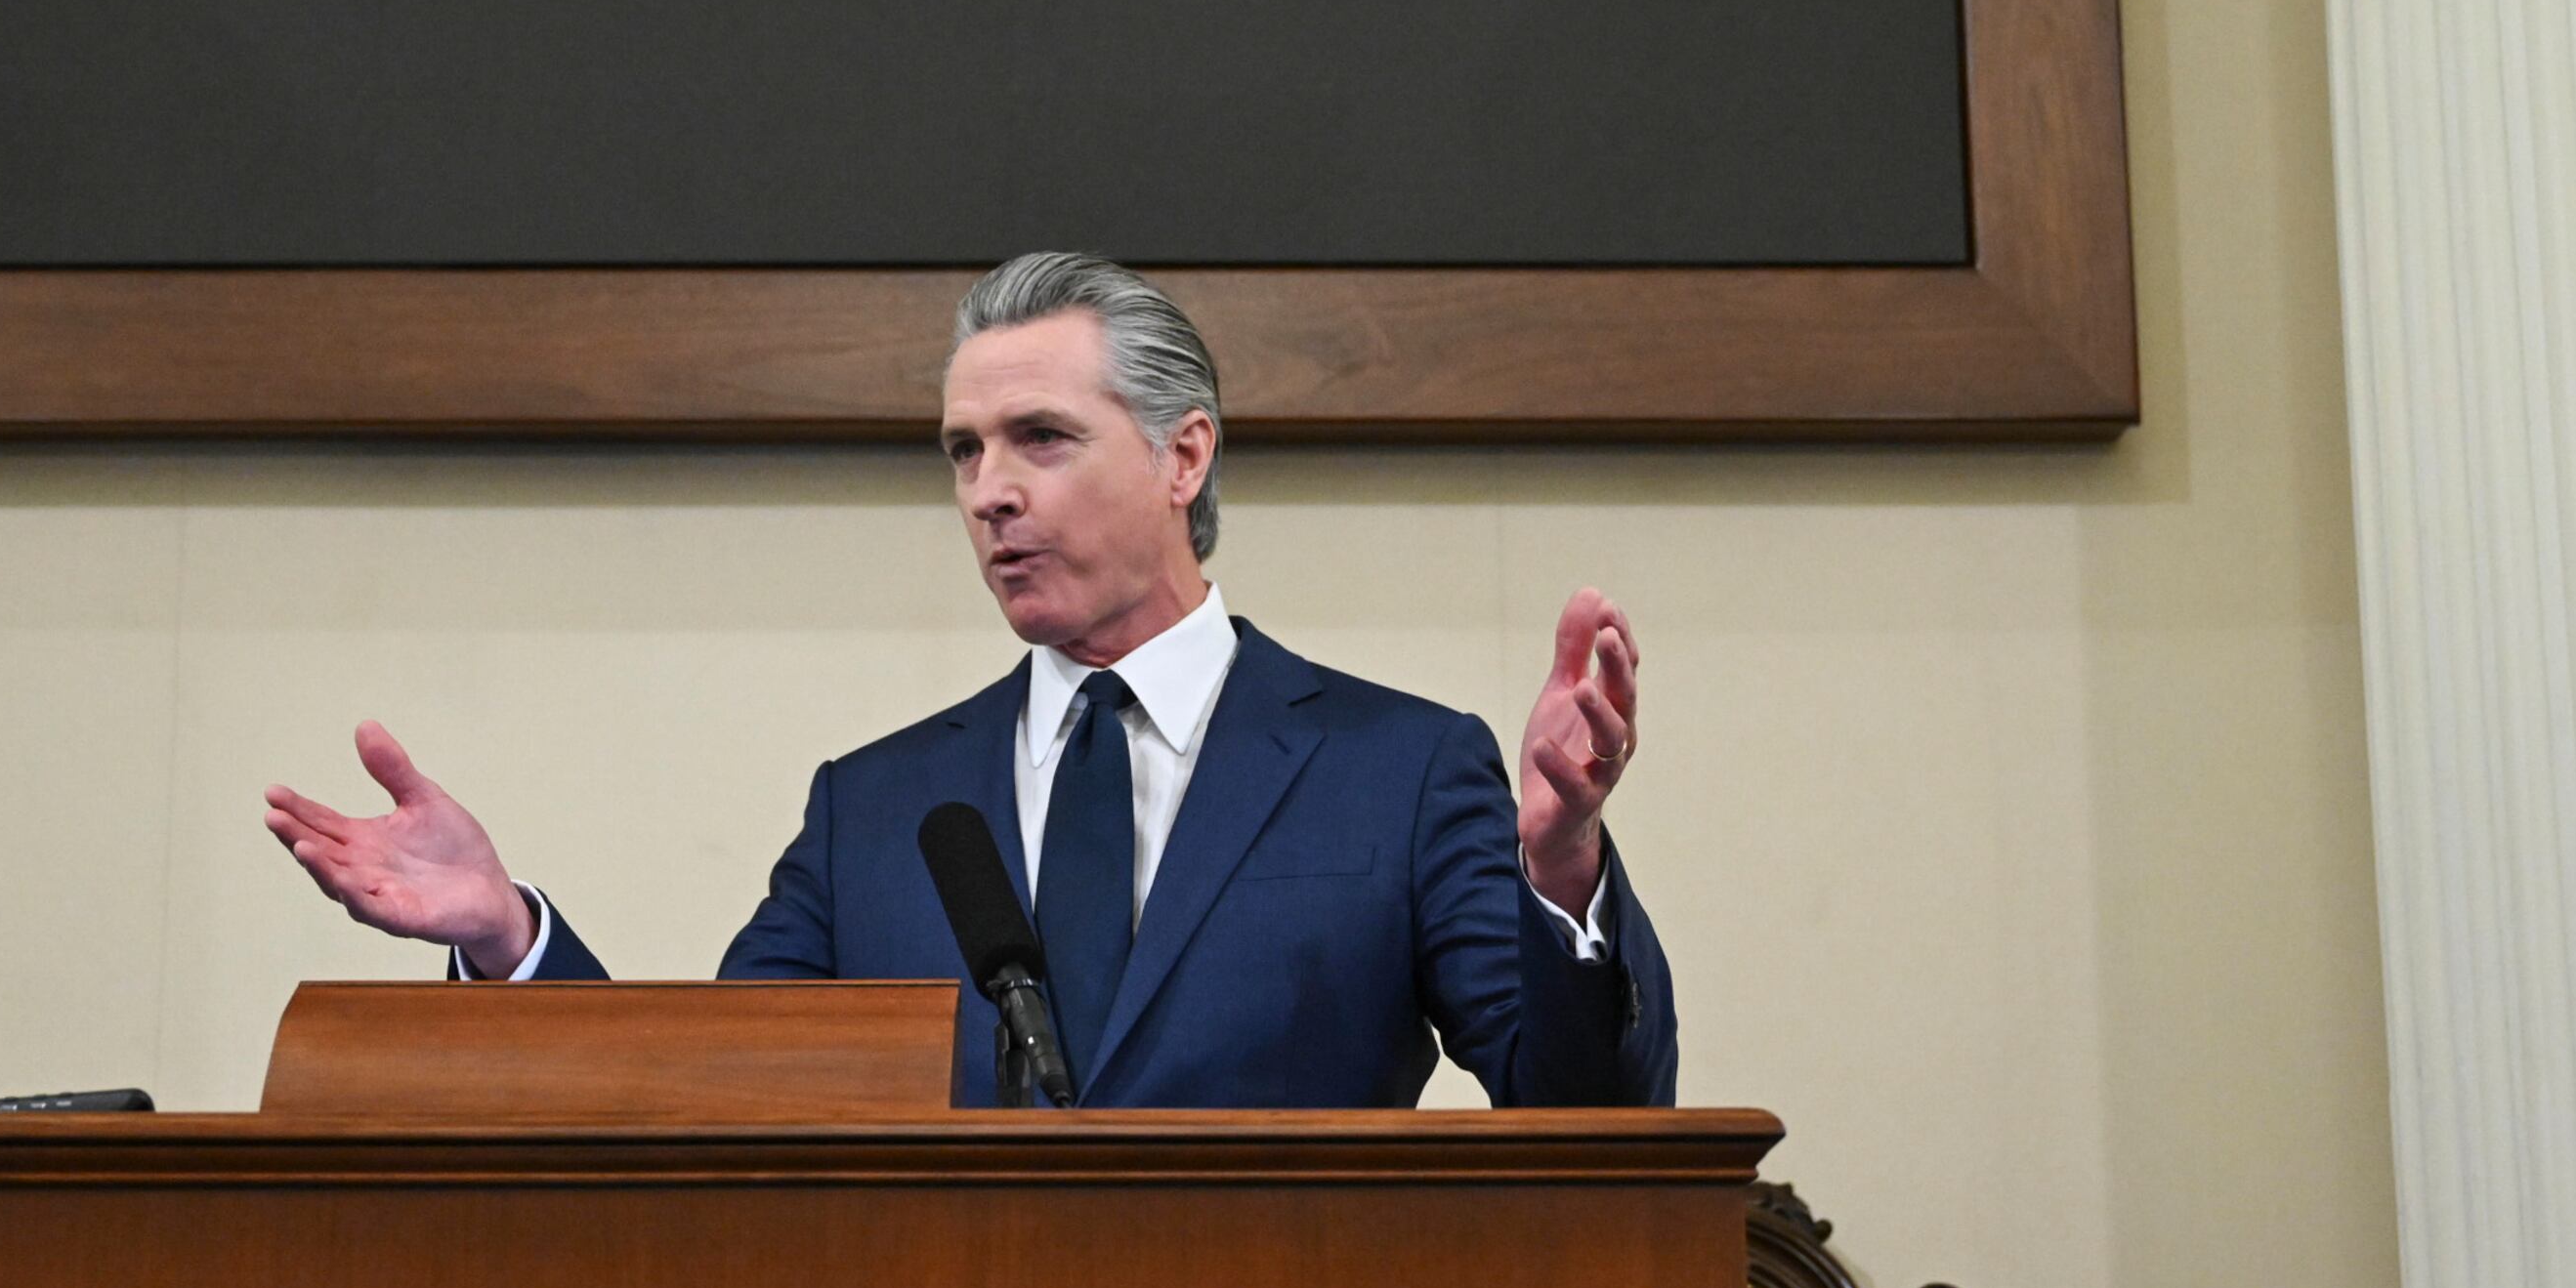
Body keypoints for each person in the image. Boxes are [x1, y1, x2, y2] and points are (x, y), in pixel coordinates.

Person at [266, 252, 1673, 1106]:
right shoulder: (878, 808)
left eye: (1041, 439)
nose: (989, 493)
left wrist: (1563, 875)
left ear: (1184, 458)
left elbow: (1590, 1110)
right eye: (962, 451)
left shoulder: (1399, 767)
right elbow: (702, 1103)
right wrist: (511, 934)